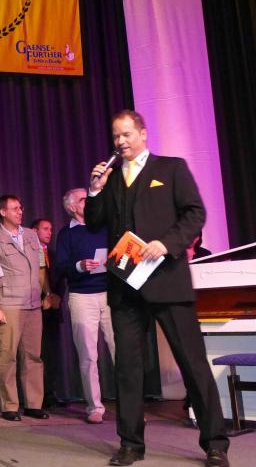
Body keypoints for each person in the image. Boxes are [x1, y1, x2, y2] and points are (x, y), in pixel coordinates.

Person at [87, 110, 229, 467]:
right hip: (126, 287)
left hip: (167, 281)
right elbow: (93, 222)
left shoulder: (171, 168)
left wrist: (167, 244)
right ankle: (130, 444)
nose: (120, 141)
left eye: (126, 134)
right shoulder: (112, 179)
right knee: (128, 369)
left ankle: (215, 442)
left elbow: (195, 213)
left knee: (192, 363)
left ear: (143, 133)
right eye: (116, 136)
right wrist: (94, 190)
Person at [0, 195, 55, 422]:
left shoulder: (31, 235)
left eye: (20, 208)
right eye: (14, 209)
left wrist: (47, 293)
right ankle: (10, 406)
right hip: (10, 304)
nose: (20, 212)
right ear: (3, 212)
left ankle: (33, 404)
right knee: (8, 356)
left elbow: (41, 267)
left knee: (33, 356)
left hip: (33, 304)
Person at [54, 188, 115, 424]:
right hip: (82, 296)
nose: (88, 202)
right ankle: (94, 407)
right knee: (88, 355)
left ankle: (131, 405)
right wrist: (79, 266)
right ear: (72, 207)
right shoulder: (66, 234)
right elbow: (60, 267)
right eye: (83, 199)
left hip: (110, 294)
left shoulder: (105, 226)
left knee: (121, 350)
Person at [30, 218, 63, 408]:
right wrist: (43, 297)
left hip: (53, 310)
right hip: (36, 308)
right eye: (45, 229)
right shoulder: (29, 253)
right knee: (38, 353)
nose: (49, 232)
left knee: (52, 353)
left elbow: (61, 278)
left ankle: (50, 393)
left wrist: (58, 296)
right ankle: (37, 397)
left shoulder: (53, 254)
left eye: (51, 229)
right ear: (34, 231)